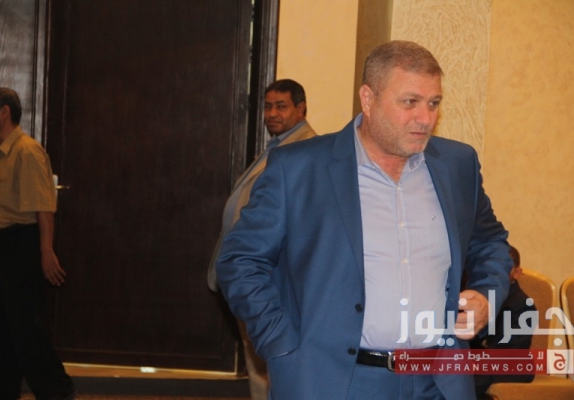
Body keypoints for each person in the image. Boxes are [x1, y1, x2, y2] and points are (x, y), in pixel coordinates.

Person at [216, 41, 513, 400]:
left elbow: (491, 242)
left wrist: (486, 296)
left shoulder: (457, 164)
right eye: (410, 102)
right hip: (334, 383)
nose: (425, 118)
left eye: (433, 103)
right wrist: (281, 343)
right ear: (368, 99)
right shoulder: (298, 168)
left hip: (438, 381)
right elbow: (240, 260)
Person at [207, 79, 316, 399]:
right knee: (257, 354)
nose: (272, 114)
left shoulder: (306, 150)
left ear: (301, 108)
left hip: (271, 274)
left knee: (270, 356)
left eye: (281, 106)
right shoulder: (279, 145)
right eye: (268, 107)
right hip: (252, 269)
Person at [0, 88, 76, 400]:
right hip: (2, 245)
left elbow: (43, 206)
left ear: (4, 112)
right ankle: (1, 394)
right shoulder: (5, 152)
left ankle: (58, 394)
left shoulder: (27, 152)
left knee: (26, 332)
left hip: (22, 245)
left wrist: (45, 251)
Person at [470, 245, 535, 398]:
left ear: (517, 273)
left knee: (471, 379)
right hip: (481, 361)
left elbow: (509, 351)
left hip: (510, 363)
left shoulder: (522, 304)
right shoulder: (478, 298)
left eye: (504, 268)